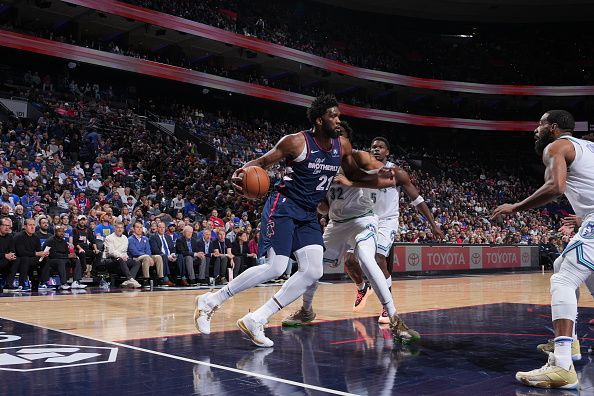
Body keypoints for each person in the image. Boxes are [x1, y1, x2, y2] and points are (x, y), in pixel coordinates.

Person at [194, 94, 381, 347]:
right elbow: (260, 163)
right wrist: (239, 175)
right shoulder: (296, 142)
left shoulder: (343, 145)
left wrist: (381, 174)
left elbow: (355, 174)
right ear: (318, 119)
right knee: (277, 267)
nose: (338, 120)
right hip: (283, 206)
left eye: (339, 116)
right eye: (333, 116)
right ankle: (211, 301)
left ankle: (256, 319)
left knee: (314, 271)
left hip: (308, 213)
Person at [282, 125, 442, 341]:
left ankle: (388, 309)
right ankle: (361, 287)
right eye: (372, 147)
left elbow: (417, 200)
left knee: (376, 259)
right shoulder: (356, 166)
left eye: (380, 147)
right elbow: (335, 194)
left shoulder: (394, 172)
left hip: (384, 221)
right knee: (348, 262)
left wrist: (433, 225)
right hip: (356, 218)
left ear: (388, 152)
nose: (375, 149)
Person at [492, 110, 592, 389]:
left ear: (554, 128)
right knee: (562, 267)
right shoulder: (589, 148)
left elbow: (556, 186)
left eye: (540, 124)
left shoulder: (556, 146)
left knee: (562, 279)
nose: (536, 129)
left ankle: (562, 366)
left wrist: (516, 207)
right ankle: (570, 345)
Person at [41, 225, 86, 290]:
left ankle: (76, 281)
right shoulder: (50, 241)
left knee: (76, 260)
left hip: (63, 258)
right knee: (60, 261)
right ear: (55, 232)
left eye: (63, 232)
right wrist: (67, 256)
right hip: (51, 260)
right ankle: (63, 283)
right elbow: (53, 255)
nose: (62, 233)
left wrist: (72, 256)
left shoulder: (64, 241)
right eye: (59, 231)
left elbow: (67, 253)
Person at [14, 218, 50, 291]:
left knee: (45, 259)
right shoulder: (19, 236)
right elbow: (21, 253)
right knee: (25, 258)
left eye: (34, 225)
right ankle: (22, 283)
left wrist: (43, 253)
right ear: (25, 226)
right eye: (30, 225)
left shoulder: (36, 237)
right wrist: (37, 253)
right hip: (19, 259)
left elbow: (39, 250)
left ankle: (42, 283)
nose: (32, 227)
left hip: (32, 258)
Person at [127, 220, 165, 287]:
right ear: (133, 229)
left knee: (158, 257)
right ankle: (146, 280)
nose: (139, 229)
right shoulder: (130, 239)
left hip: (146, 257)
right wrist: (147, 256)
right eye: (137, 227)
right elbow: (134, 252)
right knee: (146, 257)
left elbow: (148, 250)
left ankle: (160, 279)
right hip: (135, 257)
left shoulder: (145, 238)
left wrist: (150, 257)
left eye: (141, 227)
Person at [104, 222, 141, 288]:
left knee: (136, 262)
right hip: (111, 260)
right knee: (120, 259)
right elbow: (111, 252)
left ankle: (128, 281)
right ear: (115, 229)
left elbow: (124, 251)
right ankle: (131, 279)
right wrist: (121, 256)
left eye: (121, 228)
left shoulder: (125, 238)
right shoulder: (109, 238)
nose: (120, 229)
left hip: (122, 259)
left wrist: (125, 256)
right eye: (118, 227)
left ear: (123, 229)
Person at [148, 222, 175, 287]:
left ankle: (184, 278)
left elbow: (172, 248)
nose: (162, 229)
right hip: (161, 256)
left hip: (169, 255)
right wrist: (168, 256)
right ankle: (165, 279)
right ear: (157, 228)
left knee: (180, 257)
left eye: (163, 227)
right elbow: (155, 250)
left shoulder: (168, 237)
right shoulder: (153, 237)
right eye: (160, 227)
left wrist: (172, 254)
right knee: (164, 256)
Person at [0, 217, 18, 292]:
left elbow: (12, 249)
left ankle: (8, 284)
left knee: (17, 260)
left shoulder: (10, 236)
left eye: (8, 226)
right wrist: (5, 255)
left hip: (5, 259)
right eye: (5, 225)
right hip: (2, 258)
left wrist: (11, 255)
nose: (7, 228)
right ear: (0, 226)